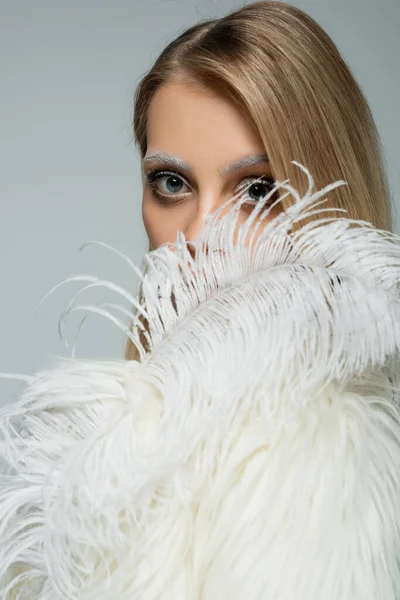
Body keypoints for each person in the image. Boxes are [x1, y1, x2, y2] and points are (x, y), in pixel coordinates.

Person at [1, 2, 400, 599]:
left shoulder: (334, 461)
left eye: (258, 190)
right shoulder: (115, 441)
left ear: (332, 195)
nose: (200, 235)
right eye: (171, 183)